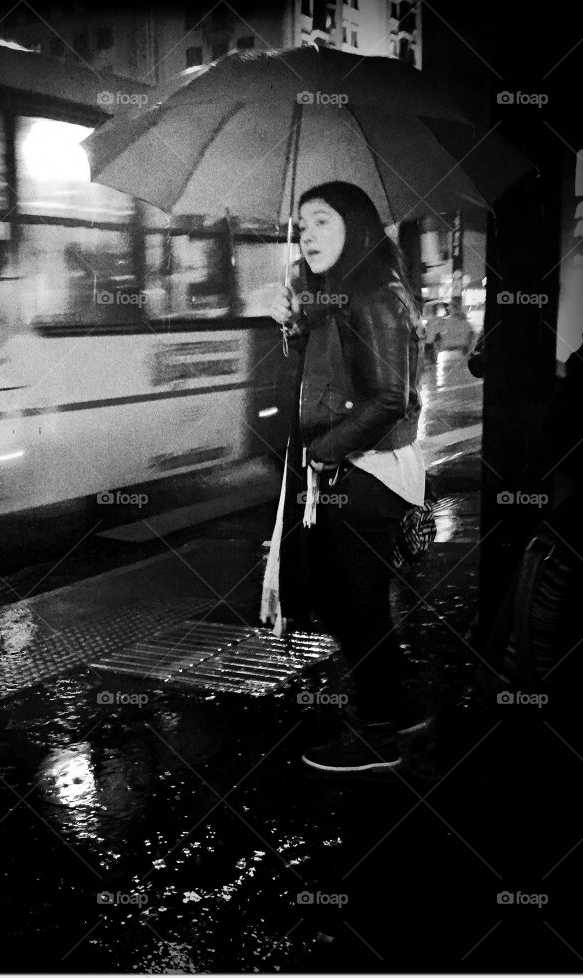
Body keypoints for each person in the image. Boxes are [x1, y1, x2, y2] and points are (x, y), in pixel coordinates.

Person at [264, 181, 426, 773]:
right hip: (351, 467)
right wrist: (292, 324)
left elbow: (390, 396)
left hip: (366, 472)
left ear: (354, 227)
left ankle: (379, 733)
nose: (308, 233)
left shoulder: (375, 296)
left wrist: (325, 455)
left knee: (350, 602)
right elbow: (325, 376)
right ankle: (401, 705)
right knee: (349, 600)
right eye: (303, 223)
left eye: (323, 221)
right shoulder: (337, 293)